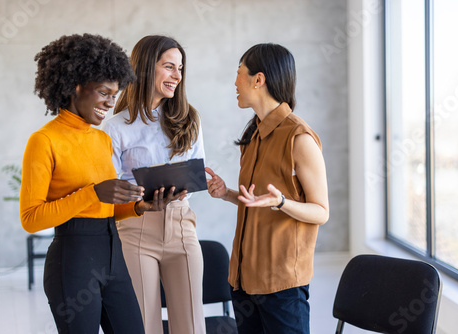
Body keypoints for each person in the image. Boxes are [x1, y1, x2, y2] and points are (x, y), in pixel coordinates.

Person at [19, 33, 168, 334]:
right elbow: (31, 219)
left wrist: (138, 206)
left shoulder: (101, 139)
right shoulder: (44, 140)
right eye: (104, 92)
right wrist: (91, 193)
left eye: (115, 94)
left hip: (113, 255)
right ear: (75, 87)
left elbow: (105, 209)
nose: (110, 103)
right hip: (72, 262)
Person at [205, 43, 329, 334]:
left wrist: (282, 202)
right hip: (242, 281)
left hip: (282, 287)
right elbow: (258, 202)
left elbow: (321, 211)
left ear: (258, 79)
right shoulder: (252, 135)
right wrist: (226, 193)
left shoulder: (299, 137)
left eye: (239, 73)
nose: (235, 82)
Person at [101, 35, 206, 334]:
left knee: (192, 326)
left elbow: (197, 170)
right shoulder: (116, 127)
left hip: (182, 226)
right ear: (146, 68)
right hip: (136, 231)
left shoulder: (189, 119)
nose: (177, 76)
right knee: (144, 325)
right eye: (169, 67)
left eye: (180, 68)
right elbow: (110, 189)